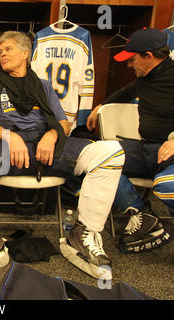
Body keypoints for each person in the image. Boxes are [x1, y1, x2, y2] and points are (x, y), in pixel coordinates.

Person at [0, 31, 124, 280]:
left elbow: (64, 123)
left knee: (110, 152)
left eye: (8, 49)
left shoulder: (43, 85)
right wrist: (11, 137)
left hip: (46, 148)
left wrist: (52, 135)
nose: (2, 54)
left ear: (25, 54)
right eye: (0, 51)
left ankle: (83, 234)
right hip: (5, 147)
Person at [86, 28, 173, 253]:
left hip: (168, 152)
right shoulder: (145, 78)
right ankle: (140, 214)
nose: (128, 65)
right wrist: (100, 106)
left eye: (132, 59)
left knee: (167, 187)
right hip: (146, 148)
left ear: (149, 57)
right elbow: (124, 93)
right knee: (98, 157)